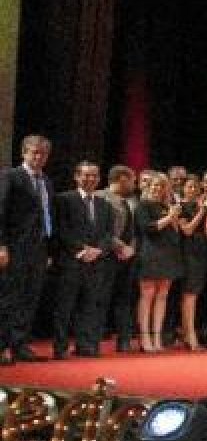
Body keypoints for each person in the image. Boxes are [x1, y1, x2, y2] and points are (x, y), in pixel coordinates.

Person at [52, 161, 117, 359]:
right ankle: (61, 347)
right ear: (76, 177)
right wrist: (81, 249)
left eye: (94, 176)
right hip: (71, 261)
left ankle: (86, 345)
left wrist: (98, 250)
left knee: (90, 306)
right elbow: (60, 229)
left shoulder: (104, 204)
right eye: (86, 175)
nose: (90, 179)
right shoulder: (64, 199)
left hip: (97, 263)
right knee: (65, 306)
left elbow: (108, 234)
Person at [0, 135, 55, 365]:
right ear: (23, 153)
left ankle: (19, 344)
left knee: (30, 298)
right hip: (15, 246)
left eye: (43, 153)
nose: (38, 157)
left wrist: (48, 249)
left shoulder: (47, 182)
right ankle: (2, 347)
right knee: (9, 298)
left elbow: (48, 216)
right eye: (34, 152)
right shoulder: (11, 176)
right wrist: (1, 245)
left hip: (39, 247)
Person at [134, 173, 184, 353]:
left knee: (163, 296)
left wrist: (175, 219)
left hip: (169, 254)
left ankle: (157, 336)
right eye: (154, 185)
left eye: (161, 186)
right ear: (148, 186)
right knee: (147, 295)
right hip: (149, 254)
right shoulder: (142, 205)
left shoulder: (167, 206)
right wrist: (170, 217)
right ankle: (145, 336)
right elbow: (149, 229)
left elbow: (177, 232)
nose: (157, 189)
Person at [102, 165, 139, 353]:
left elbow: (134, 229)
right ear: (122, 180)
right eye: (133, 180)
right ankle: (92, 340)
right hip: (105, 256)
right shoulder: (101, 198)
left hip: (128, 258)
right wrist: (119, 247)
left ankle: (124, 340)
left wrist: (131, 248)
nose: (135, 184)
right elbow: (101, 230)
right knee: (100, 298)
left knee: (125, 299)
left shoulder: (132, 201)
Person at [178, 174, 207, 350]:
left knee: (195, 294)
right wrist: (201, 211)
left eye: (195, 186)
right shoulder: (179, 206)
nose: (192, 189)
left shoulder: (203, 206)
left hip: (203, 251)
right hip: (188, 252)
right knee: (189, 294)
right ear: (183, 188)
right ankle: (191, 337)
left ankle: (188, 334)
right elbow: (187, 230)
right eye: (189, 186)